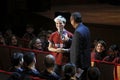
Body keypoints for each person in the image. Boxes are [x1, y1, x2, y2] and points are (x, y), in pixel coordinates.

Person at [70, 12, 91, 80]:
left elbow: (77, 52)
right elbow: (83, 44)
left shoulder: (77, 32)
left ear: (72, 20)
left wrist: (75, 68)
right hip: (86, 63)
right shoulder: (86, 29)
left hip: (79, 66)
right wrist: (70, 40)